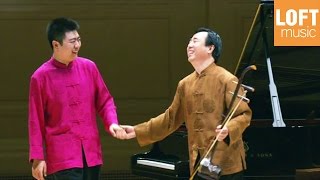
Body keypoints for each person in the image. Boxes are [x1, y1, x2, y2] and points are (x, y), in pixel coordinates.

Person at [123, 27, 252, 180]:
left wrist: (228, 129)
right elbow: (170, 119)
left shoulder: (227, 79)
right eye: (189, 41)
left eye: (195, 41)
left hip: (226, 166)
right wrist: (137, 131)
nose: (189, 45)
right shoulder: (185, 84)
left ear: (210, 48)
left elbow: (244, 114)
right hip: (199, 163)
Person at [28, 17, 126, 180]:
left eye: (79, 40)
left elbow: (105, 100)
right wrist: (38, 158)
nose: (77, 45)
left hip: (91, 151)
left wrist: (112, 122)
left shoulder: (89, 67)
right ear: (56, 45)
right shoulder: (40, 77)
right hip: (61, 156)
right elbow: (35, 121)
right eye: (72, 41)